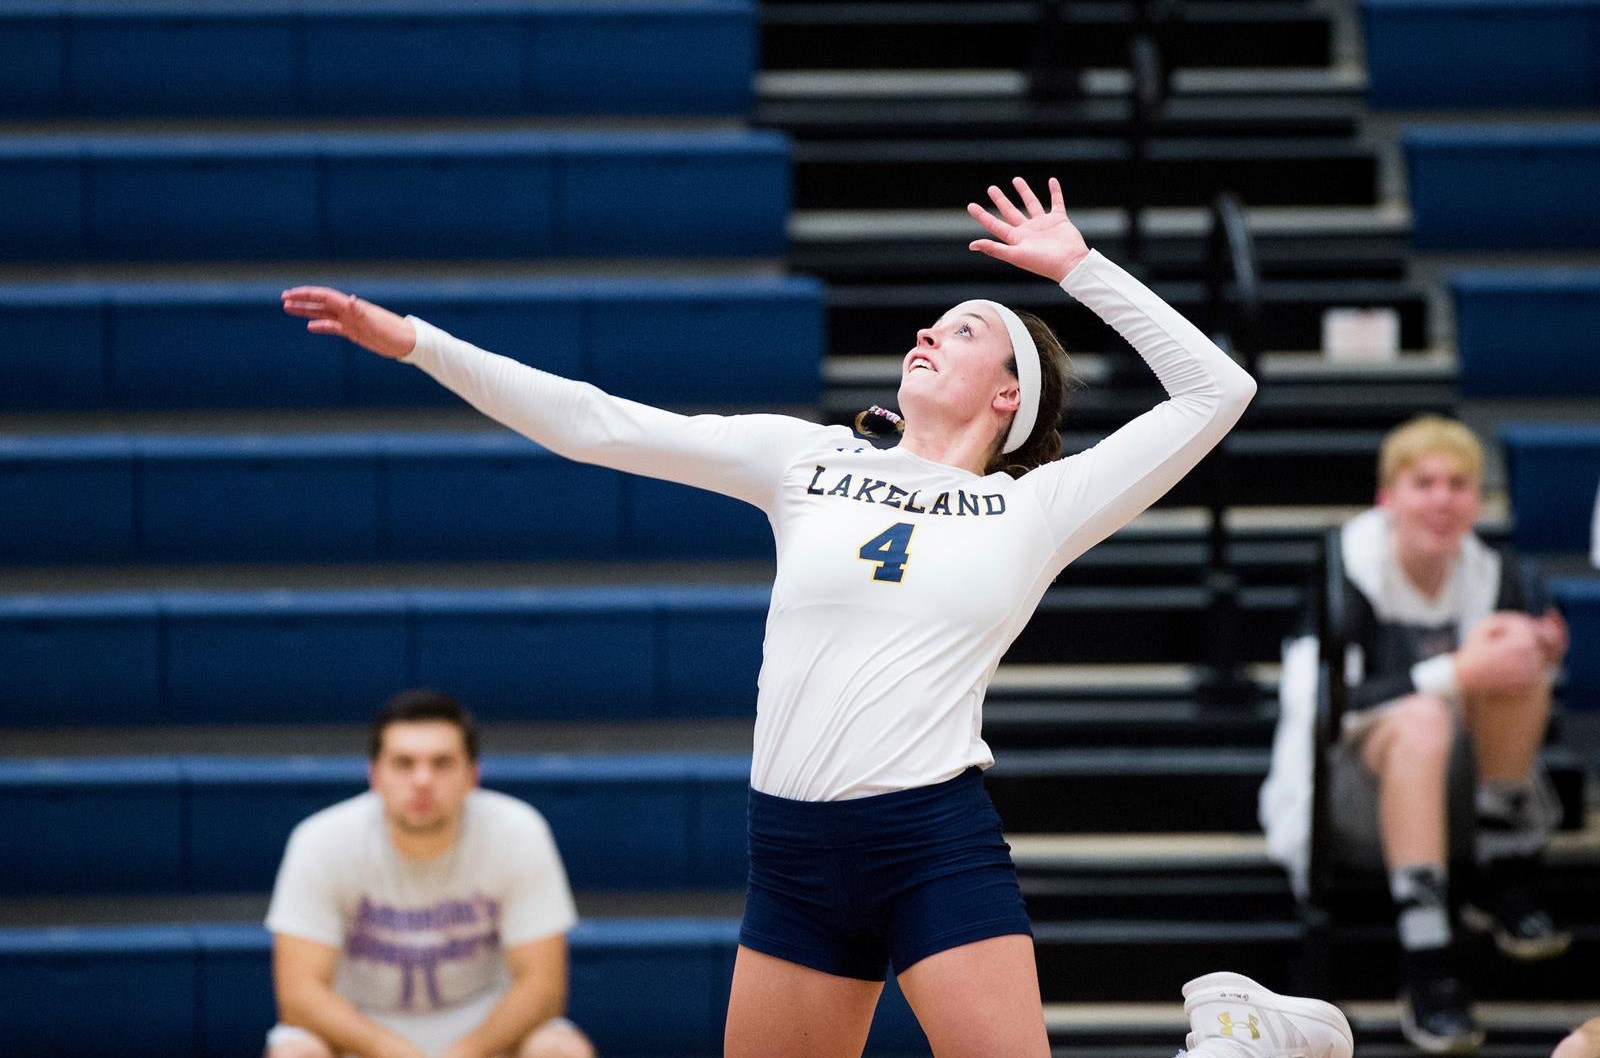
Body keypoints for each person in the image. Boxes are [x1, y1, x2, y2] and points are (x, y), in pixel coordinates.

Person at [283, 176, 1351, 1058]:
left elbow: (1216, 392)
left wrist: (1078, 268)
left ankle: (1240, 1040)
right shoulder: (808, 458)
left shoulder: (1037, 504)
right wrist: (417, 340)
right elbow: (595, 423)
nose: (931, 330)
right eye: (935, 321)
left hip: (928, 835)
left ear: (1007, 400)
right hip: (792, 846)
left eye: (968, 328)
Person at [1261, 416, 1570, 1056]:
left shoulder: (1497, 573)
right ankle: (1428, 958)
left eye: (1458, 483)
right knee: (1426, 714)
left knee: (1515, 650)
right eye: (1423, 482)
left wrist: (1539, 654)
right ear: (1387, 497)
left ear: (1477, 500)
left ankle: (1495, 865)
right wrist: (1455, 673)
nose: (1441, 498)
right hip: (1351, 800)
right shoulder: (1343, 566)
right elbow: (1317, 710)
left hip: (1461, 795)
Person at [265, 689, 595, 1058]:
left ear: (473, 775)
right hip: (362, 1024)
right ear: (374, 775)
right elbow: (299, 994)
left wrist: (466, 1051)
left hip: (483, 1022)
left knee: (560, 1050)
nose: (422, 780)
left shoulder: (518, 830)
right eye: (404, 763)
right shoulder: (321, 840)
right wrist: (387, 1048)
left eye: (442, 763)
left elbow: (543, 987)